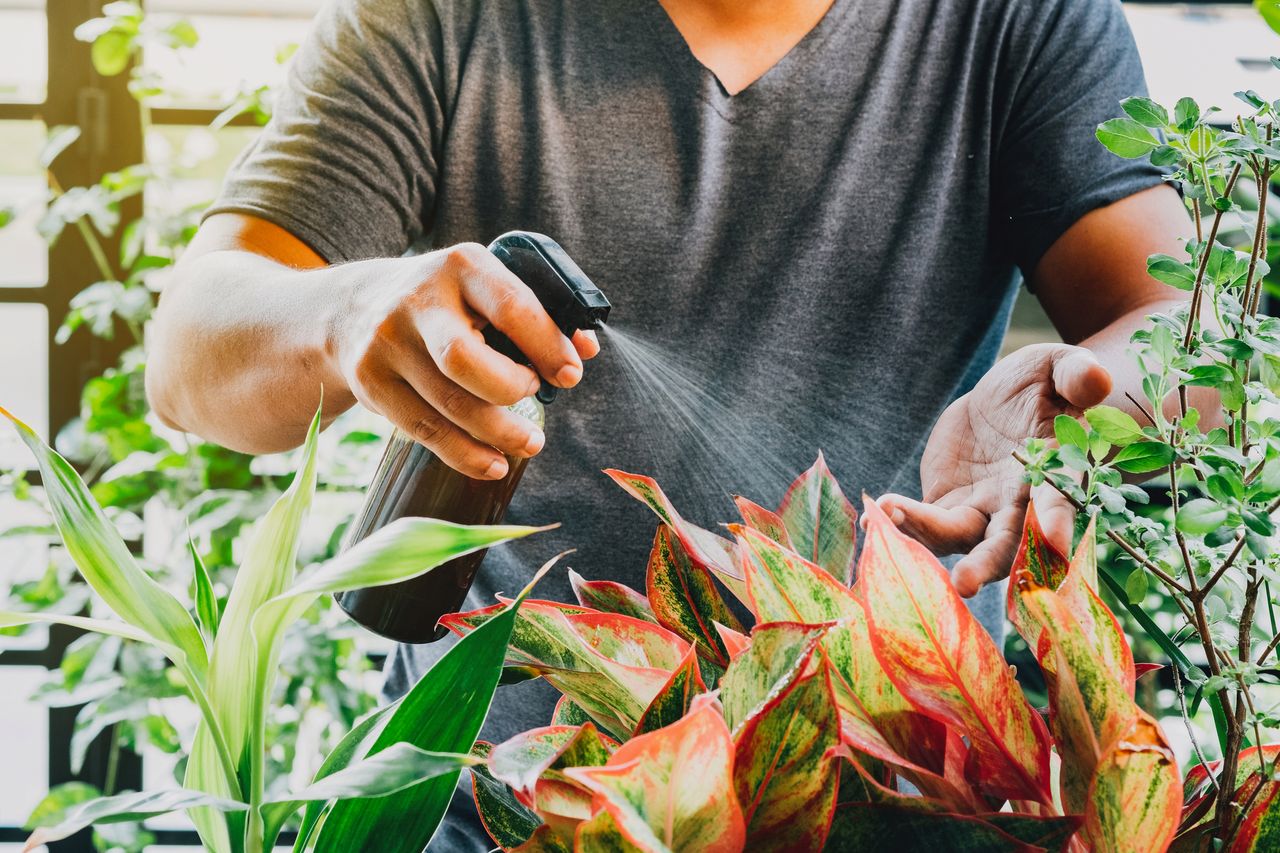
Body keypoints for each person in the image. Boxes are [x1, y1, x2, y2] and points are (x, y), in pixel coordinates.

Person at [146, 0, 1193, 846]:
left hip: (905, 799)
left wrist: (1075, 406)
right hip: (509, 805)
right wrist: (340, 315)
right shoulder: (437, 19)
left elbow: (1178, 332)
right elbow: (190, 359)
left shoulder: (1016, 20)